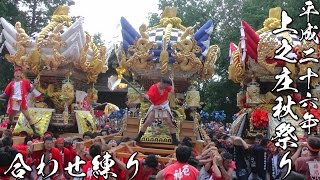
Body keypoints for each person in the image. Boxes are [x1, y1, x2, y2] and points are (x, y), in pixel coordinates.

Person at [135, 77, 178, 145]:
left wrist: (172, 81)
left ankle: (175, 141)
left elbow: (172, 90)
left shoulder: (166, 87)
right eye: (165, 86)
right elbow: (148, 96)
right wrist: (145, 96)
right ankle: (138, 138)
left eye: (167, 86)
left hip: (164, 107)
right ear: (162, 83)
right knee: (147, 122)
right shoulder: (153, 88)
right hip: (156, 107)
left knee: (170, 123)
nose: (166, 88)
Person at [0, 67, 39, 134]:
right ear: (14, 74)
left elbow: (30, 90)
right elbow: (5, 94)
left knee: (28, 117)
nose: (18, 74)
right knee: (10, 118)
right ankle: (7, 132)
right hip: (14, 101)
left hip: (22, 101)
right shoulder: (11, 84)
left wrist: (34, 85)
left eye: (19, 73)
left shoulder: (25, 82)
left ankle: (35, 132)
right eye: (16, 73)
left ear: (21, 74)